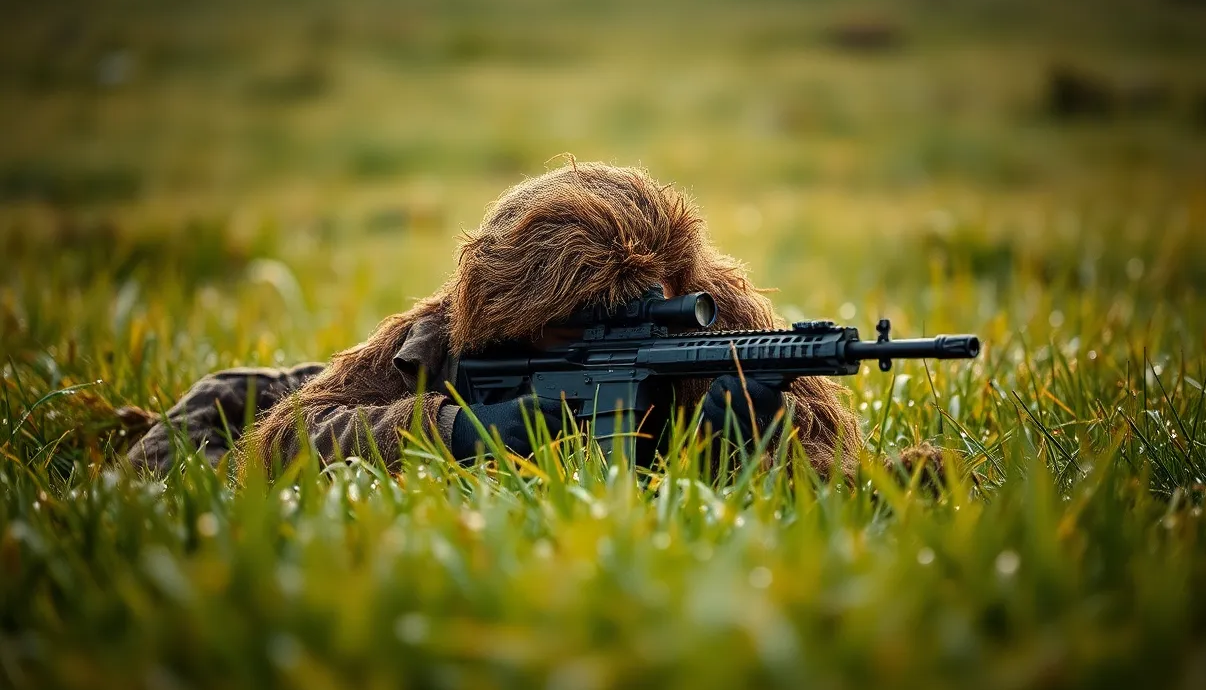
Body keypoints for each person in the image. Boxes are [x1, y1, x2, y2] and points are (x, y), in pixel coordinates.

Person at [127, 161, 912, 479]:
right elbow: (285, 441)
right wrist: (466, 431)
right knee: (216, 417)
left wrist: (742, 437)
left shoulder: (720, 323)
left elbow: (835, 461)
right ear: (510, 316)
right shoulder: (449, 334)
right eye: (578, 323)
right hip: (405, 394)